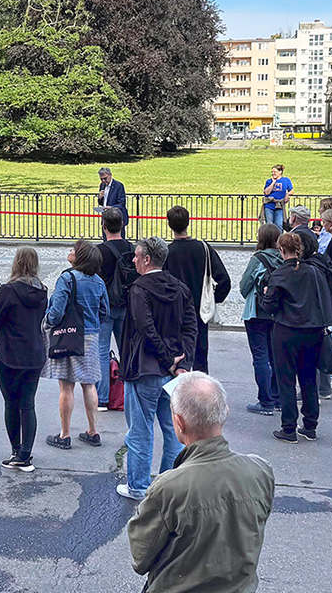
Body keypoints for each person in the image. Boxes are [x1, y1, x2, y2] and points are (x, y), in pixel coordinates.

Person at [127, 372, 274, 593]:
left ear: (179, 422)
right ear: (226, 412)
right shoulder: (260, 470)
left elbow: (141, 557)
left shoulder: (168, 488)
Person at [118, 236, 196, 501]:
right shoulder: (181, 288)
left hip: (145, 368)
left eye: (137, 255)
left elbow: (145, 328)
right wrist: (181, 364)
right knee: (173, 430)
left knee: (140, 431)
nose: (133, 259)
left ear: (147, 259)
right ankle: (167, 485)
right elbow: (190, 327)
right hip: (172, 370)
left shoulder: (139, 289)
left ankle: (139, 486)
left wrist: (166, 360)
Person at [259, 231, 332, 444]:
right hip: (312, 330)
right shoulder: (313, 272)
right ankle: (310, 425)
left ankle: (288, 427)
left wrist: (265, 294)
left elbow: (269, 306)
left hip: (286, 330)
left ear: (281, 250)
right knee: (309, 378)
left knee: (286, 379)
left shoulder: (279, 274)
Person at [42, 240, 109, 450]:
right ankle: (93, 430)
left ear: (80, 258)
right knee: (89, 384)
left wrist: (47, 321)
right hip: (90, 335)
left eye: (73, 250)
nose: (70, 251)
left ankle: (65, 434)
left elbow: (57, 310)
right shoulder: (98, 282)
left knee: (66, 386)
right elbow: (104, 310)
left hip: (68, 334)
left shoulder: (66, 279)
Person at [0, 248, 47, 472]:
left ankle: (16, 450)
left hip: (9, 352)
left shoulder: (8, 290)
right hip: (34, 352)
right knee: (28, 403)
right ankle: (26, 453)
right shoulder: (42, 291)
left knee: (10, 403)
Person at [164, 205, 231, 373]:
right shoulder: (203, 248)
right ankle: (202, 395)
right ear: (189, 222)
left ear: (169, 225)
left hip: (174, 309)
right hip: (199, 308)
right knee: (200, 356)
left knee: (176, 358)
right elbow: (225, 280)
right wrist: (213, 299)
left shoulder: (167, 252)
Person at [238, 223, 283, 415]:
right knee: (276, 357)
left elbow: (244, 285)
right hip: (278, 313)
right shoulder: (284, 258)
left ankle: (265, 401)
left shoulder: (258, 259)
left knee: (260, 356)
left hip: (257, 311)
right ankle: (278, 397)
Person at [96, 207, 134, 409]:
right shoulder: (131, 248)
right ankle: (129, 394)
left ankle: (102, 397)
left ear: (104, 226)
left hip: (105, 305)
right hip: (126, 304)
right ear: (122, 225)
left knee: (102, 352)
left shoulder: (99, 251)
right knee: (126, 349)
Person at [97, 167, 128, 237]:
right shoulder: (102, 185)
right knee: (106, 240)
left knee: (118, 240)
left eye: (105, 178)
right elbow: (102, 202)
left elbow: (122, 203)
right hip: (106, 217)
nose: (103, 181)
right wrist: (100, 198)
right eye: (101, 179)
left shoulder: (118, 186)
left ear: (110, 175)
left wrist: (111, 208)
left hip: (116, 218)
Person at [262, 164, 292, 229]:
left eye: (275, 172)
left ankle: (279, 238)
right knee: (269, 225)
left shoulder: (286, 180)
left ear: (280, 172)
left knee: (279, 224)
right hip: (269, 205)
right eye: (272, 172)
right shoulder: (269, 181)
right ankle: (270, 238)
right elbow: (266, 192)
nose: (273, 173)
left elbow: (292, 191)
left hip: (279, 205)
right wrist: (273, 183)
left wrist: (287, 195)